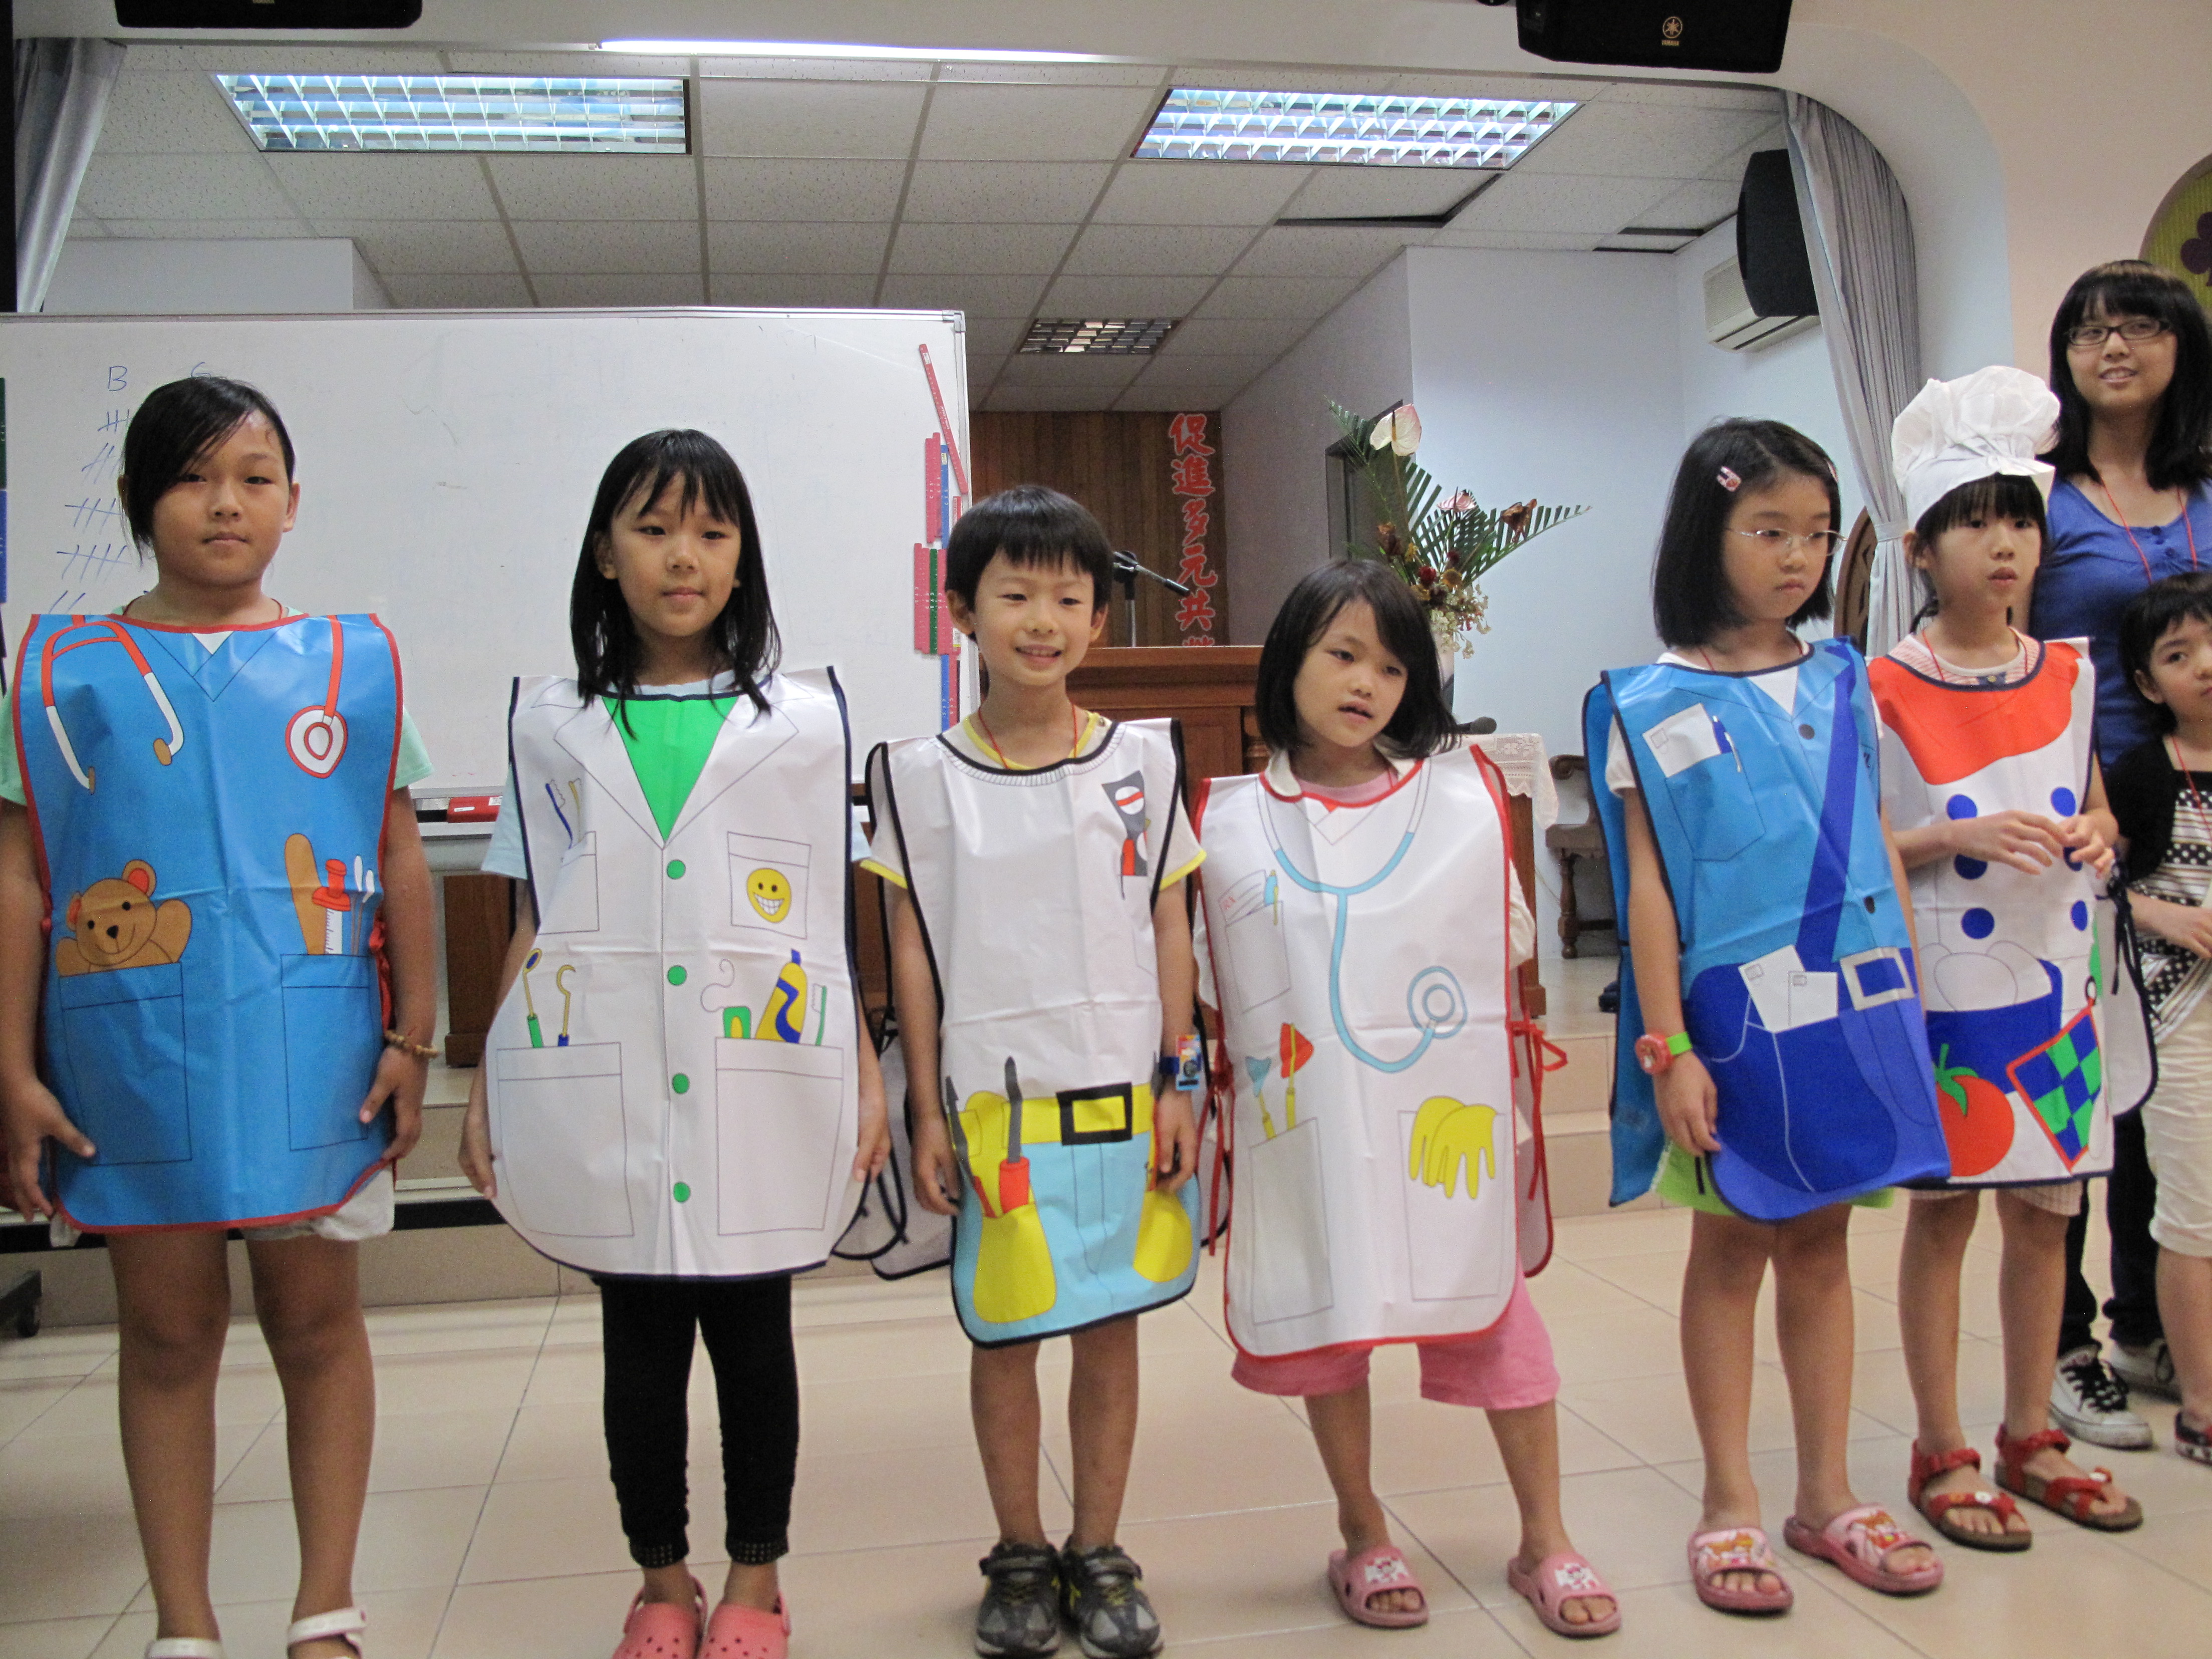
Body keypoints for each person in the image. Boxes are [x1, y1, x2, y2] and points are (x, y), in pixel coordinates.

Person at [0, 377, 438, 1659]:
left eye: (253, 478)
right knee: (167, 1333)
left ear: (293, 502)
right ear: (138, 501)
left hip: (317, 1055)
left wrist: (416, 1038)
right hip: (132, 1055)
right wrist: (11, 1070)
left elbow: (399, 855)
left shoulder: (348, 668)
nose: (225, 504)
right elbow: (21, 876)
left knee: (317, 1325)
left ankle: (325, 1609)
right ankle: (183, 1624)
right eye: (192, 478)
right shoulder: (61, 675)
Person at [456, 429, 888, 1659]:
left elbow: (823, 925)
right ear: (606, 554)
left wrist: (864, 1074)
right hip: (612, 1087)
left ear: (744, 558)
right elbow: (535, 918)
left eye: (710, 531)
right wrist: (490, 1085)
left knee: (755, 1338)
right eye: (652, 531)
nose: (682, 557)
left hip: (762, 1080)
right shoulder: (552, 727)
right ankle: (661, 1579)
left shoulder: (801, 726)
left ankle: (755, 1583)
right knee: (637, 1347)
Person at [1193, 561, 1619, 1639]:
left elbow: (1507, 939)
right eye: (1342, 655)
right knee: (1333, 1319)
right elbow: (1213, 975)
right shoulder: (1236, 823)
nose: (1365, 685)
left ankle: (1546, 1537)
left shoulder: (1455, 802)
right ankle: (1363, 1529)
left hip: (1441, 1127)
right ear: (1289, 661)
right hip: (1318, 1125)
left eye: (1391, 667)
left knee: (1495, 1321)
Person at [1584, 419, 1951, 1614]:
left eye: (1815, 533)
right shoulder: (1643, 700)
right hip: (1728, 1025)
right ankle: (1728, 1501)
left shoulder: (1846, 678)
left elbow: (1877, 845)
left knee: (1825, 1244)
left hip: (1855, 1008)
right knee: (1732, 1246)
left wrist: (1911, 1011)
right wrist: (1671, 1050)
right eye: (1768, 530)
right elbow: (1647, 890)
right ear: (1709, 534)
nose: (1797, 556)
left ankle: (1827, 1494)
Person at [865, 484, 1203, 1659]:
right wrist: (923, 1110)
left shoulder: (1142, 763)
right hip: (993, 1115)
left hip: (1122, 1098)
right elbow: (912, 948)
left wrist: (1181, 1079)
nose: (1043, 621)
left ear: (1101, 618)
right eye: (1015, 595)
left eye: (1069, 598)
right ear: (962, 610)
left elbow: (1171, 924)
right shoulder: (919, 778)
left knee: (1110, 1326)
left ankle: (1098, 1548)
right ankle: (1018, 1552)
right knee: (1004, 1332)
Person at [1872, 367, 2144, 1549]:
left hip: (2059, 990)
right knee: (1943, 1218)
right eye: (1974, 524)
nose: (2003, 547)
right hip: (1946, 996)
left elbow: (2097, 807)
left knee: (2048, 1217)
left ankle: (2032, 1434)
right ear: (1920, 549)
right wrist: (1953, 837)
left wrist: (2101, 834)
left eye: (2020, 523)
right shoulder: (1881, 685)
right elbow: (1863, 854)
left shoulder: (2073, 674)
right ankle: (1941, 1447)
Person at [2029, 260, 2212, 1447]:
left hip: (2196, 805)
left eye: (2142, 327)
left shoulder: (2208, 488)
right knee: (2069, 1087)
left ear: (2182, 349)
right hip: (2073, 813)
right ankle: (2064, 1343)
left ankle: (2149, 1323)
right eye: (2090, 331)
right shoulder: (2040, 496)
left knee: (2169, 1085)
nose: (2114, 348)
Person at [2105, 571, 2212, 1468]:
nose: (2206, 666)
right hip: (2178, 1016)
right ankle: (2202, 1402)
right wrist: (2165, 916)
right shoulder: (2143, 774)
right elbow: (2095, 886)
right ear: (2147, 683)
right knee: (2195, 1209)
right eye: (2181, 655)